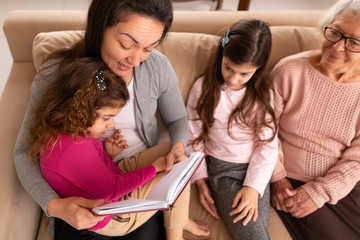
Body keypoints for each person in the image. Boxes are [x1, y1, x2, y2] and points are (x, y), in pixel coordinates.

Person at [14, 0, 205, 239]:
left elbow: (177, 119)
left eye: (148, 48)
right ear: (100, 27)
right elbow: (24, 151)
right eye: (126, 44)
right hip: (83, 194)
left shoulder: (157, 68)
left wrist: (177, 147)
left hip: (133, 175)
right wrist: (54, 206)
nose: (136, 60)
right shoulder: (58, 73)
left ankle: (176, 217)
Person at [28, 57, 171, 239]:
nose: (111, 125)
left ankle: (175, 216)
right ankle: (177, 227)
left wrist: (107, 153)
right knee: (173, 170)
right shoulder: (72, 148)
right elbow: (112, 189)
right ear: (81, 110)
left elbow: (86, 173)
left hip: (110, 184)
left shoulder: (68, 127)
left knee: (171, 151)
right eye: (106, 118)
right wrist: (154, 168)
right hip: (111, 216)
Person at [269, 1, 360, 239]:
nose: (337, 46)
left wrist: (321, 191)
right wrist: (277, 178)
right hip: (290, 183)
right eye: (335, 32)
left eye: (354, 42)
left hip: (345, 182)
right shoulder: (289, 71)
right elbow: (262, 131)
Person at [186, 18, 278, 240]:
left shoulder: (262, 95)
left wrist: (253, 188)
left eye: (244, 74)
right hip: (221, 170)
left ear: (258, 69)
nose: (234, 78)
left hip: (256, 170)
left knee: (253, 230)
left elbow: (267, 146)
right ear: (222, 55)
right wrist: (200, 179)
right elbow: (193, 135)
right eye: (228, 68)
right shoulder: (204, 88)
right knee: (252, 233)